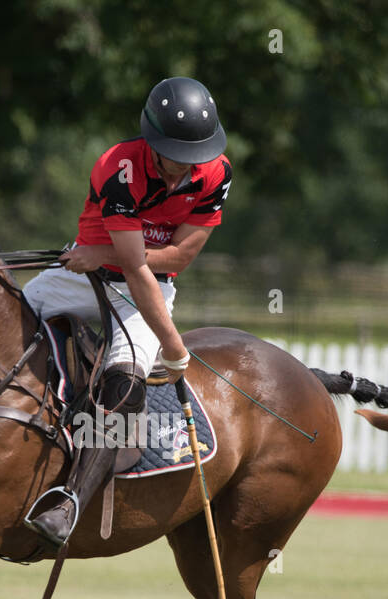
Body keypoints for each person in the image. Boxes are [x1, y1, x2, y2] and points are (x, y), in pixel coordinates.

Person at [22, 76, 233, 547]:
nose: (185, 171)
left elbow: (175, 259)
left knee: (127, 379)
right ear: (153, 144)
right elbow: (132, 263)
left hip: (145, 284)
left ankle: (70, 502)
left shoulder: (218, 173)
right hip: (83, 274)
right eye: (176, 157)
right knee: (13, 317)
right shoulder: (120, 167)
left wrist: (106, 256)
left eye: (195, 158)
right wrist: (102, 259)